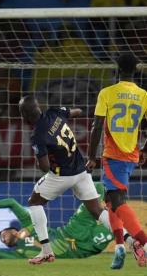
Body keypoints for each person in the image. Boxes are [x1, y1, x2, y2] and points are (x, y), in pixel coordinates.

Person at [18, 95, 111, 265]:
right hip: (81, 170)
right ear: (39, 107)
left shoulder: (37, 135)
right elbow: (78, 111)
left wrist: (39, 156)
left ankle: (46, 251)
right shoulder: (55, 112)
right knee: (97, 210)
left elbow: (45, 167)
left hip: (62, 175)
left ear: (25, 115)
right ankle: (131, 240)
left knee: (34, 202)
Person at [0, 184, 134, 260]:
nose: (4, 238)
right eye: (3, 240)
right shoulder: (19, 253)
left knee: (97, 188)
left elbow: (11, 203)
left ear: (14, 229)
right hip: (81, 248)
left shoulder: (29, 222)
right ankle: (138, 243)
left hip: (70, 230)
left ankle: (115, 201)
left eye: (4, 234)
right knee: (117, 229)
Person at [86, 53, 147, 269]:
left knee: (116, 200)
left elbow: (96, 126)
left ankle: (144, 243)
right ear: (136, 69)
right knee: (111, 201)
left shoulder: (107, 93)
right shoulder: (143, 95)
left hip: (113, 155)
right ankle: (120, 246)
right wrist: (145, 149)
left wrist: (91, 156)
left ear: (117, 69)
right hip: (132, 154)